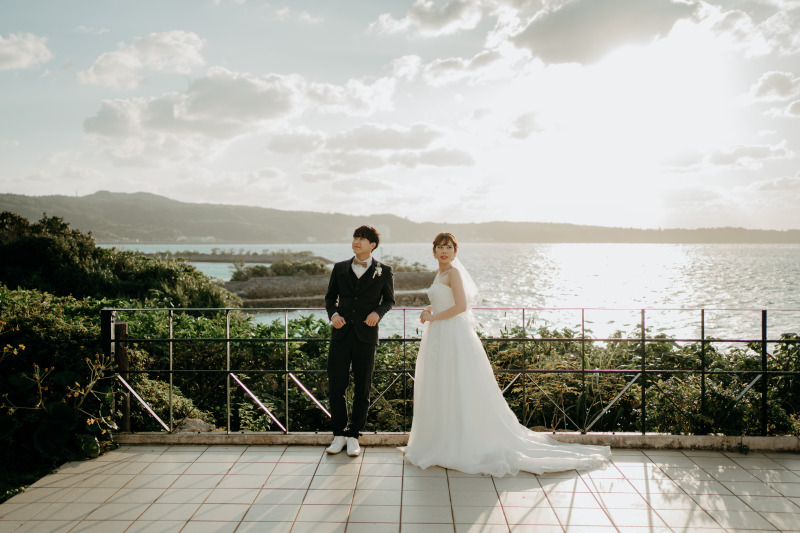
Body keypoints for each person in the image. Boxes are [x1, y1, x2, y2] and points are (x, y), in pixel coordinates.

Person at [402, 232, 611, 475]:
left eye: (449, 247)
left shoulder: (454, 272)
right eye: (440, 247)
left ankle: (458, 442)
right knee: (442, 384)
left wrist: (433, 316)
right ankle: (441, 439)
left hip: (451, 333)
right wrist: (430, 308)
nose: (444, 251)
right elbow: (445, 300)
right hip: (439, 333)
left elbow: (461, 306)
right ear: (434, 251)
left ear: (455, 252)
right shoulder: (440, 273)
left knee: (457, 383)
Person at [324, 225, 395, 456]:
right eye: (355, 237)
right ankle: (339, 435)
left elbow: (389, 300)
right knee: (337, 386)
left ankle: (354, 435)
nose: (357, 241)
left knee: (363, 387)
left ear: (372, 245)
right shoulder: (339, 268)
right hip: (341, 335)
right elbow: (329, 298)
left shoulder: (383, 271)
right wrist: (333, 315)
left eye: (362, 239)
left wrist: (377, 313)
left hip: (366, 335)